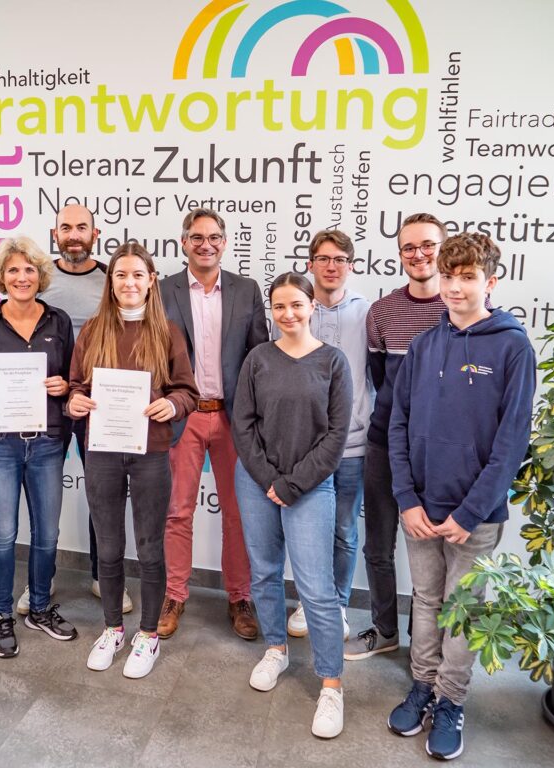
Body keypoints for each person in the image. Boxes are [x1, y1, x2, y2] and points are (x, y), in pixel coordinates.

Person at [387, 233, 535, 760]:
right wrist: (407, 499)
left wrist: (471, 512)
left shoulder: (512, 345)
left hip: (477, 516)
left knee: (463, 610)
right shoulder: (427, 345)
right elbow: (398, 424)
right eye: (448, 276)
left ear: (490, 281)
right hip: (422, 509)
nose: (454, 286)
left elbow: (512, 440)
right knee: (425, 602)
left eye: (467, 276)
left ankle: (451, 701)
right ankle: (423, 687)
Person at [68, 242, 198, 679]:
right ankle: (112, 628)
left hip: (151, 453)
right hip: (102, 450)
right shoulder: (92, 330)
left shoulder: (167, 331)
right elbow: (75, 386)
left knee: (148, 547)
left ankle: (148, 635)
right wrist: (76, 402)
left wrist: (173, 406)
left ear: (151, 280)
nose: (128, 282)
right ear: (110, 281)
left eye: (137, 275)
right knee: (108, 546)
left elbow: (188, 392)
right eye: (120, 274)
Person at [233, 273, 352, 739]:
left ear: (311, 307)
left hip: (310, 486)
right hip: (258, 482)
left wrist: (293, 484)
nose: (288, 314)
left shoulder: (333, 362)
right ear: (272, 311)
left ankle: (331, 684)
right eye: (279, 306)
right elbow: (242, 424)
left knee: (316, 589)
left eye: (297, 305)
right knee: (263, 572)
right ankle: (276, 649)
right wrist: (269, 480)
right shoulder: (257, 359)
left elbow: (336, 437)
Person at [0, 236, 77, 658]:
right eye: (13, 270)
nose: (22, 277)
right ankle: (3, 614)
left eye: (29, 269)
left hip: (47, 440)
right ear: (1, 278)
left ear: (40, 275)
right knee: (4, 533)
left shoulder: (59, 322)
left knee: (47, 534)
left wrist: (65, 386)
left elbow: (72, 381)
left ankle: (40, 608)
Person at [157, 208, 268, 641]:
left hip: (232, 419)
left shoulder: (246, 290)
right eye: (197, 237)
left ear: (225, 242)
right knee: (177, 510)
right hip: (182, 415)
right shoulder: (161, 290)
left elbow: (260, 357)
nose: (207, 244)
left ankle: (240, 597)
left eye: (215, 237)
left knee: (238, 513)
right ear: (183, 242)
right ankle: (174, 594)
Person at [347, 213, 449, 662]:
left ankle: (428, 645)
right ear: (400, 254)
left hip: (441, 453)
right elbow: (378, 377)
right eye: (409, 247)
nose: (419, 254)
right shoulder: (383, 311)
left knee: (438, 553)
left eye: (428, 245)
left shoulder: (459, 307)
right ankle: (385, 629)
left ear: (443, 249)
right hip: (385, 444)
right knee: (378, 545)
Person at [38, 204, 132, 615]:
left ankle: (102, 576)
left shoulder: (111, 280)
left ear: (96, 233)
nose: (73, 235)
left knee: (104, 496)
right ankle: (42, 578)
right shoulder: (37, 279)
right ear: (54, 233)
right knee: (44, 494)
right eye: (66, 228)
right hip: (45, 400)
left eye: (82, 228)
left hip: (99, 403)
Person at [285, 230, 374, 644]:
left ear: (351, 266)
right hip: (306, 446)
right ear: (310, 264)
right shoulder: (294, 310)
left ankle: (336, 604)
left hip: (353, 446)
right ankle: (309, 599)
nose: (331, 266)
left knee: (342, 530)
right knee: (308, 528)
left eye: (340, 259)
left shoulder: (367, 313)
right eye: (323, 258)